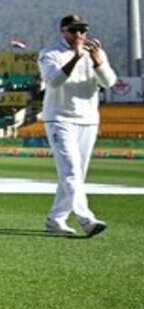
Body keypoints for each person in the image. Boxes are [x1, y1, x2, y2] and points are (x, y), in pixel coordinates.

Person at [38, 14, 115, 237]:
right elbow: (53, 81)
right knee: (71, 170)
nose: (79, 34)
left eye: (83, 30)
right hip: (59, 118)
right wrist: (76, 58)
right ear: (63, 31)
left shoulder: (95, 52)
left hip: (88, 119)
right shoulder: (50, 53)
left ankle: (56, 219)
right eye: (74, 30)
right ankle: (86, 219)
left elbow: (109, 82)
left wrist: (98, 60)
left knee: (75, 174)